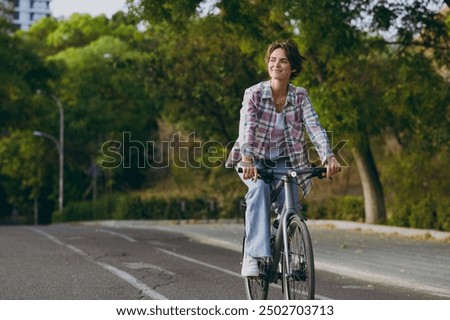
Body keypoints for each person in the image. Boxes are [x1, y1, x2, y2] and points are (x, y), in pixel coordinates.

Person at [225, 39, 341, 277]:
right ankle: (253, 256)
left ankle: (295, 255)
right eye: (272, 60)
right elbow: (246, 126)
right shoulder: (254, 94)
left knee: (292, 206)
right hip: (253, 159)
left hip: (287, 161)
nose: (276, 65)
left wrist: (328, 156)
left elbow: (314, 127)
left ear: (293, 68)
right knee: (259, 191)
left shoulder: (300, 96)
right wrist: (247, 158)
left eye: (283, 61)